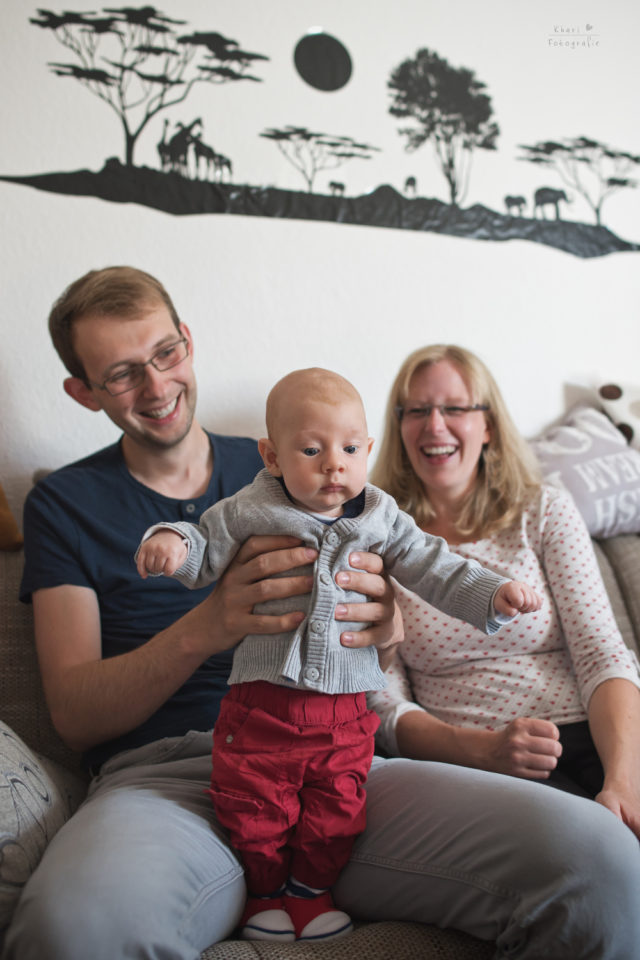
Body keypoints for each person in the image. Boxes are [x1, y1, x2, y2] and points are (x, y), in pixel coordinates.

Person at [4, 269, 640, 960]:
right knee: (72, 931)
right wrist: (208, 627)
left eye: (164, 353)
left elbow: (408, 589)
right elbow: (75, 717)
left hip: (343, 759)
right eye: (123, 374)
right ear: (83, 391)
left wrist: (387, 625)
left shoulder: (313, 461)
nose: (156, 386)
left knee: (599, 862)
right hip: (167, 781)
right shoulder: (66, 504)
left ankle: (306, 886)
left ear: (187, 340)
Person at [136, 366, 541, 942]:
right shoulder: (251, 507)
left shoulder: (381, 516)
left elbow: (435, 564)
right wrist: (172, 543)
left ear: (368, 450)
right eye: (311, 450)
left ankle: (311, 892)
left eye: (350, 449)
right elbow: (204, 543)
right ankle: (264, 892)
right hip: (262, 707)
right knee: (255, 803)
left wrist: (492, 593)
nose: (334, 464)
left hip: (345, 712)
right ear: (272, 457)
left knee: (339, 807)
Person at [369, 343, 640, 838]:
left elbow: (602, 651)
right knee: (591, 847)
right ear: (399, 425)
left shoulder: (545, 512)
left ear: (488, 425)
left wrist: (624, 782)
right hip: (477, 763)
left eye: (455, 408)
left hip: (598, 734)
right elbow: (384, 706)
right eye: (417, 411)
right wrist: (483, 750)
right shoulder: (377, 540)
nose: (434, 426)